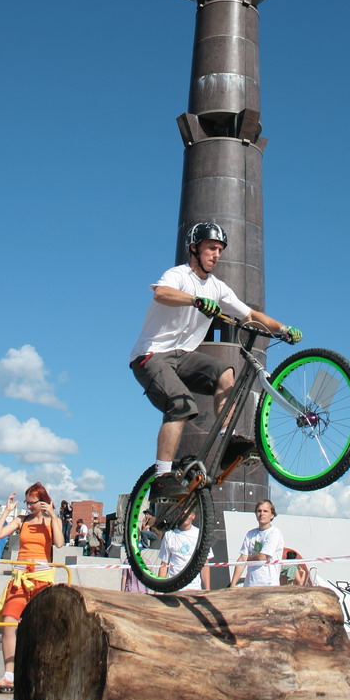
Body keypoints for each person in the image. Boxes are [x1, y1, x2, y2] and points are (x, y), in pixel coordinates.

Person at [129, 222, 301, 498]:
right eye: (211, 248)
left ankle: (226, 443)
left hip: (183, 357)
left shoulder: (218, 288)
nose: (216, 255)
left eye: (220, 250)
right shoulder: (178, 275)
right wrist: (195, 300)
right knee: (181, 404)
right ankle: (161, 478)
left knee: (225, 373)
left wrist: (283, 328)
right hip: (151, 356)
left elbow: (251, 315)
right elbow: (161, 293)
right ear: (194, 248)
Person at [0, 483, 64, 690]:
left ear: (43, 501)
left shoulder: (52, 521)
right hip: (21, 577)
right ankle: (9, 674)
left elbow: (59, 543)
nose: (29, 506)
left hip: (41, 576)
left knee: (41, 627)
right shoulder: (21, 520)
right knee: (9, 622)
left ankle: (40, 673)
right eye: (27, 502)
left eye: (33, 503)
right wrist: (7, 511)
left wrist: (53, 515)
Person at [230, 500, 284, 587]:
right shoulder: (250, 534)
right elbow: (241, 560)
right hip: (250, 584)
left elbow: (262, 557)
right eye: (259, 511)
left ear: (272, 515)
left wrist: (247, 558)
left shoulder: (274, 533)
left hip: (268, 584)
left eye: (265, 511)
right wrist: (233, 585)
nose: (262, 514)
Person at [157, 510, 213, 590]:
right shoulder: (169, 535)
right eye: (182, 513)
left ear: (193, 516)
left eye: (188, 513)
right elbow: (164, 565)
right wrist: (158, 590)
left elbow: (205, 565)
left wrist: (207, 589)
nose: (185, 515)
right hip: (173, 588)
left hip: (194, 588)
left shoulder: (201, 534)